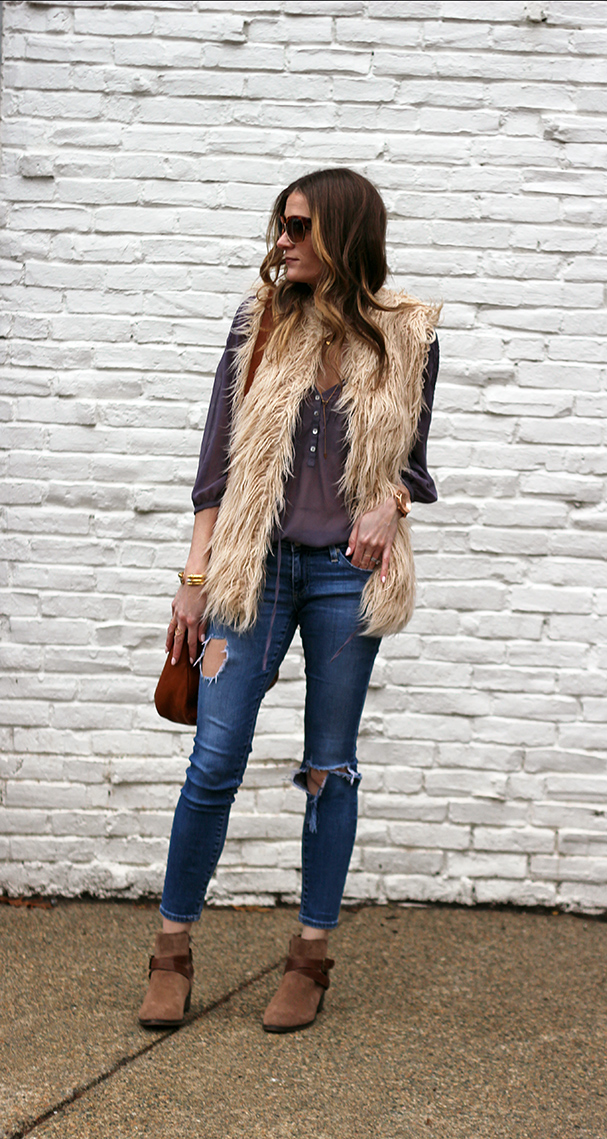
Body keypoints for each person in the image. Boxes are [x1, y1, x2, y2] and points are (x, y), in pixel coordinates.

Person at [138, 167, 440, 1034]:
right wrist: (194, 578)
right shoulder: (260, 320)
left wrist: (390, 504)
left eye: (300, 226)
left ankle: (310, 958)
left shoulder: (411, 333)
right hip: (254, 569)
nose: (283, 240)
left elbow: (413, 463)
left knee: (328, 769)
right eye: (281, 224)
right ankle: (171, 949)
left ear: (343, 233)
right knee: (213, 760)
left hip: (348, 574)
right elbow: (215, 464)